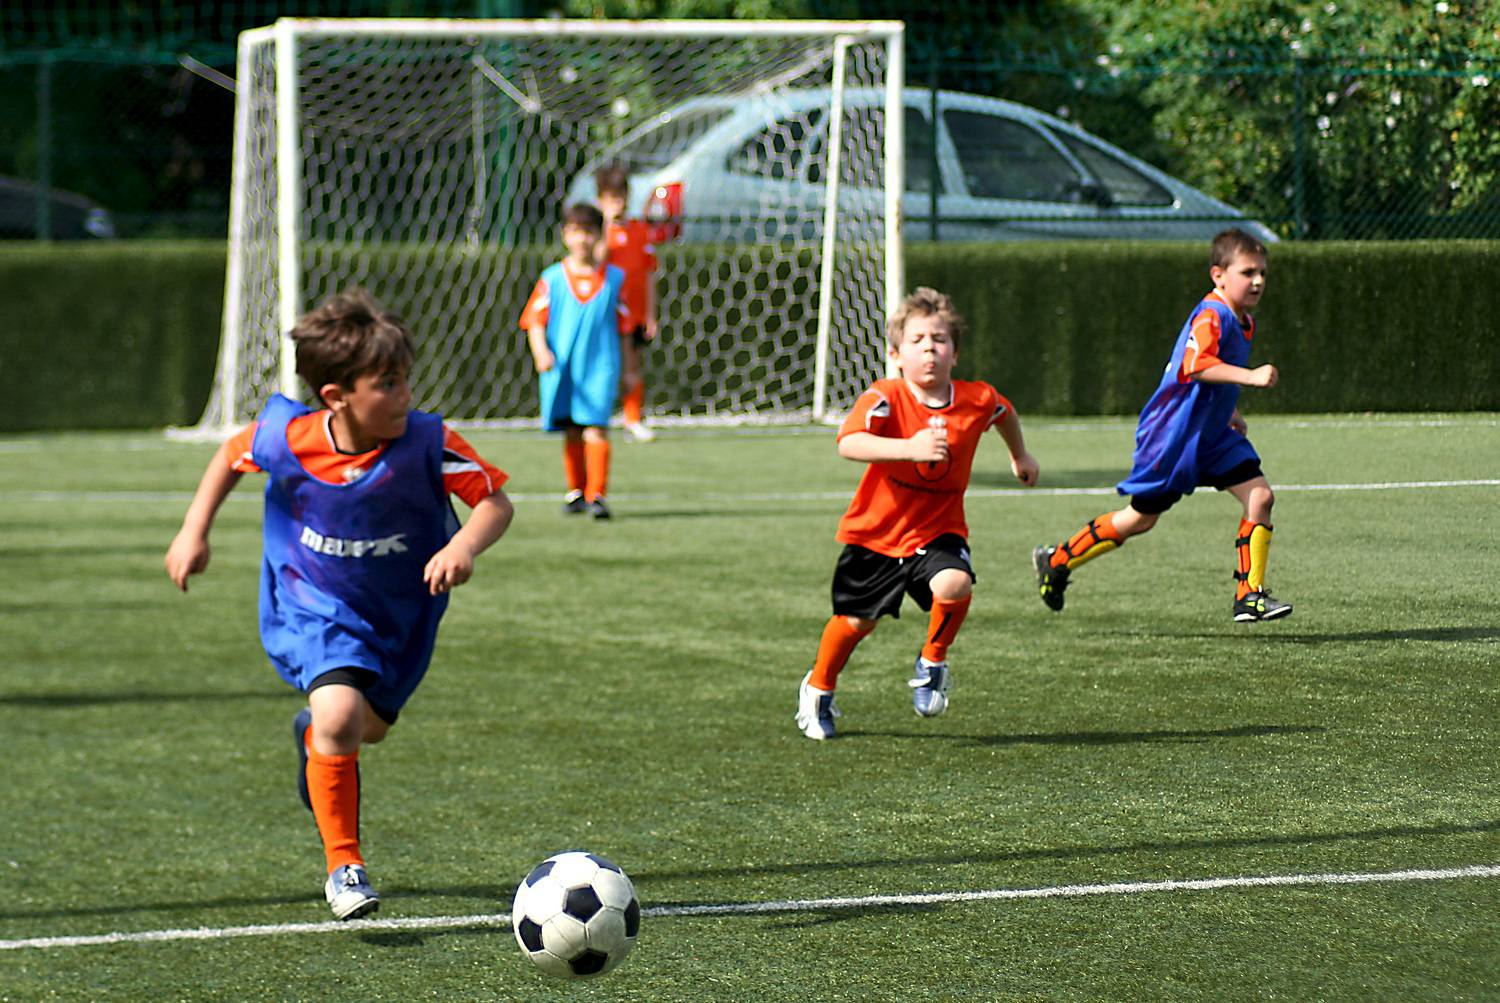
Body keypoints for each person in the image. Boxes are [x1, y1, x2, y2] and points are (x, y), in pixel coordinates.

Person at [164, 289, 514, 920]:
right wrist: (194, 530)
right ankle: (344, 865)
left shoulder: (429, 443)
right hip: (312, 604)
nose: (405, 395)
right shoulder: (287, 438)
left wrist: (463, 545)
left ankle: (315, 739)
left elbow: (494, 502)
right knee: (341, 713)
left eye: (405, 379)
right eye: (387, 384)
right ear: (336, 396)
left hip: (398, 613)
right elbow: (230, 455)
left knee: (363, 727)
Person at [795, 287, 1039, 741]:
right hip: (876, 534)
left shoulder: (976, 399)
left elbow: (1004, 413)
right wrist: (910, 448)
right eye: (918, 340)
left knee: (955, 583)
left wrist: (1019, 455)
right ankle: (819, 688)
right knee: (857, 623)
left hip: (938, 531)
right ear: (896, 354)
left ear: (955, 353)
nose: (929, 348)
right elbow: (849, 442)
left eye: (940, 340)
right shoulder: (885, 397)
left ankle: (933, 662)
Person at [1032, 227, 1292, 623]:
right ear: (1218, 275)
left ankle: (1249, 595)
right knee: (1140, 518)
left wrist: (1230, 411)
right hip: (1174, 435)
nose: (1257, 281)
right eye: (1247, 272)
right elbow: (1195, 365)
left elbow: (1210, 378)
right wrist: (1250, 376)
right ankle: (1057, 561)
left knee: (1261, 498)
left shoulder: (1244, 321)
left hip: (1212, 435)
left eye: (1262, 273)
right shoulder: (1212, 314)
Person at [520, 202, 633, 519]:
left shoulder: (614, 279)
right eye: (575, 232)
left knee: (596, 428)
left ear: (599, 235)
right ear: (564, 235)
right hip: (564, 368)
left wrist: (629, 369)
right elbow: (534, 320)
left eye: (588, 232)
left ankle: (598, 495)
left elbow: (625, 328)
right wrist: (540, 352)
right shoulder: (552, 278)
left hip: (600, 367)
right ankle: (576, 491)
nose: (581, 239)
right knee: (571, 429)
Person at [594, 163, 660, 443]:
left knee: (632, 367)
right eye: (611, 198)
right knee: (602, 368)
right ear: (600, 201)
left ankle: (633, 419)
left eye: (620, 197)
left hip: (633, 314)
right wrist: (606, 225)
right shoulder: (597, 234)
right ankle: (594, 418)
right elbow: (596, 261)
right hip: (605, 313)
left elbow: (649, 275)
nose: (617, 204)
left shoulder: (640, 231)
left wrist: (651, 314)